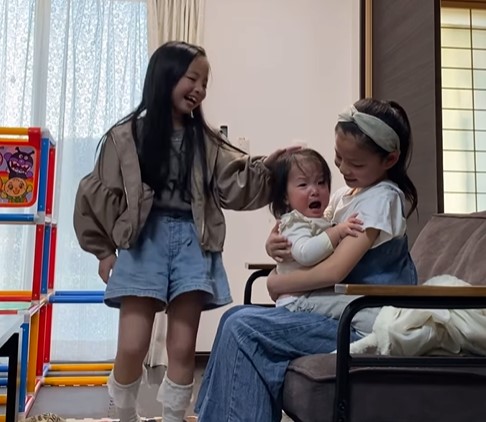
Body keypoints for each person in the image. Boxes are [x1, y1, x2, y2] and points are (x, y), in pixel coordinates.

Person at [73, 41, 294, 422]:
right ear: (165, 77)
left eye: (205, 82)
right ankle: (124, 415)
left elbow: (234, 187)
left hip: (194, 244)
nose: (199, 89)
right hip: (143, 244)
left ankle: (174, 417)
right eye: (193, 78)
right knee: (132, 345)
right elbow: (100, 195)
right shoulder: (125, 137)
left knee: (182, 347)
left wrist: (267, 169)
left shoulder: (206, 141)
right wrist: (104, 251)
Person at [194, 98, 419, 421]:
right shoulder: (344, 196)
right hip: (337, 312)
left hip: (363, 322)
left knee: (243, 327)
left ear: (390, 160)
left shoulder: (382, 200)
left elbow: (334, 270)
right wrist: (275, 245)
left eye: (355, 164)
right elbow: (312, 243)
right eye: (338, 158)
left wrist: (277, 283)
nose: (343, 169)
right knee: (235, 316)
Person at [268, 148, 362, 307]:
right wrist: (336, 232)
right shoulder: (294, 222)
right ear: (285, 197)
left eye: (321, 182)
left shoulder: (320, 219)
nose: (315, 191)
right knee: (354, 308)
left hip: (313, 294)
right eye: (303, 184)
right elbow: (305, 253)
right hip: (296, 300)